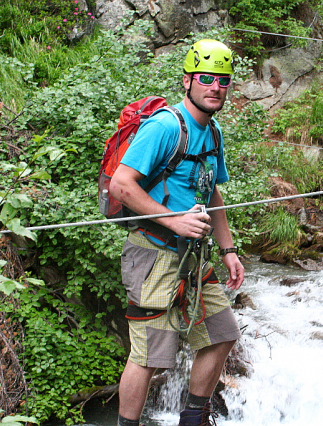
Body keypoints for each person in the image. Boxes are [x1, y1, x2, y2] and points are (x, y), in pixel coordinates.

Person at [109, 39, 244, 426]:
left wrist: (228, 249)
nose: (215, 87)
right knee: (150, 355)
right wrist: (173, 219)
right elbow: (122, 185)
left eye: (223, 80)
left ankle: (194, 418)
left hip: (193, 258)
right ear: (187, 81)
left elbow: (211, 191)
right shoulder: (166, 126)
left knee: (222, 333)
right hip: (153, 255)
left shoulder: (213, 133)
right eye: (206, 78)